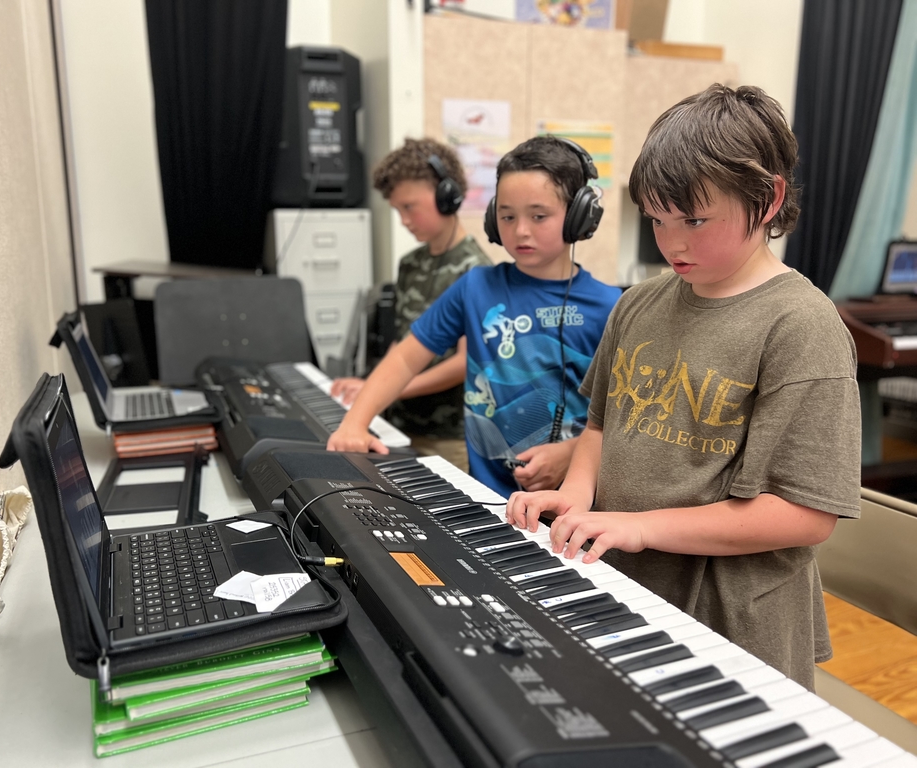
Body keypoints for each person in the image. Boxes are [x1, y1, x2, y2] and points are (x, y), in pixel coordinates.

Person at [505, 84, 861, 690]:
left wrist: (640, 526)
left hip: (733, 623)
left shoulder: (802, 326)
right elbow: (601, 425)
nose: (671, 242)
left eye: (694, 219)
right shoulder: (637, 304)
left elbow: (804, 515)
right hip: (625, 588)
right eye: (657, 219)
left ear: (768, 200)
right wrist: (578, 494)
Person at [328, 135, 622, 498]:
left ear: (579, 216)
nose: (520, 230)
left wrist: (571, 453)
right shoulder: (475, 287)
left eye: (538, 216)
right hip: (487, 498)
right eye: (507, 216)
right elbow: (405, 358)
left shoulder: (610, 305)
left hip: (573, 507)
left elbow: (628, 419)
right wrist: (355, 423)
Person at [331, 138, 492, 470]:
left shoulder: (475, 271)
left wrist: (393, 389)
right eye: (398, 210)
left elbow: (464, 363)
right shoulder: (410, 264)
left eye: (410, 207)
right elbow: (404, 343)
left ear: (447, 197)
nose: (404, 220)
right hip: (399, 426)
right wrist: (373, 385)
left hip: (448, 438)